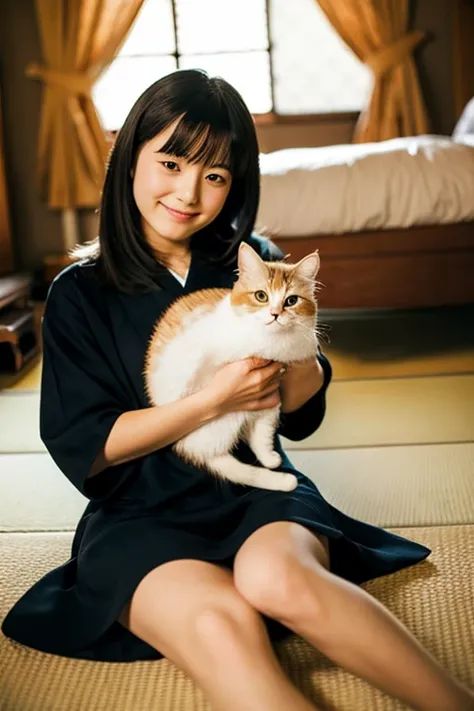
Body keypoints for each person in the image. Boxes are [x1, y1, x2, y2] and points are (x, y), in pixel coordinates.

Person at [2, 70, 473, 711]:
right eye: (170, 163)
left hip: (255, 489)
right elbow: (90, 443)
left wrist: (299, 354)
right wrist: (212, 400)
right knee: (221, 624)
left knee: (283, 581)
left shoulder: (255, 261)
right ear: (129, 158)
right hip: (138, 513)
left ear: (236, 184)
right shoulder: (78, 292)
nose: (190, 193)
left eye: (216, 176)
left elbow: (302, 417)